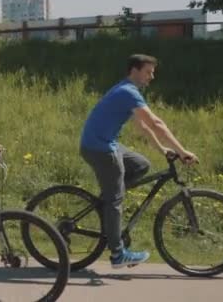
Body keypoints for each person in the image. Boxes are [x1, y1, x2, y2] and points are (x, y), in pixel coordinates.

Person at [80, 54, 198, 269]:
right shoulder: (127, 92)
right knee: (115, 200)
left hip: (104, 143)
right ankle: (117, 255)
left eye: (152, 72)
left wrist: (162, 149)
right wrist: (182, 151)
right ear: (134, 70)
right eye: (148, 72)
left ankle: (109, 199)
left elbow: (143, 126)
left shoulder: (127, 91)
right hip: (100, 148)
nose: (152, 77)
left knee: (141, 164)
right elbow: (155, 123)